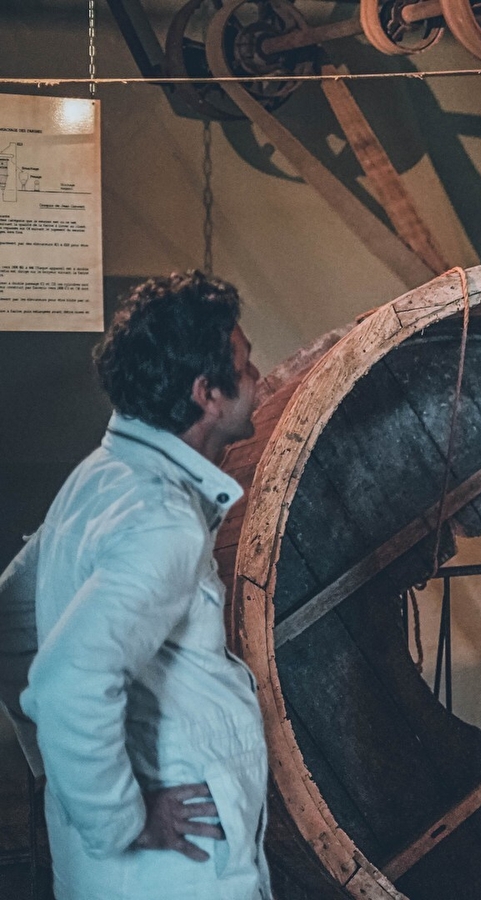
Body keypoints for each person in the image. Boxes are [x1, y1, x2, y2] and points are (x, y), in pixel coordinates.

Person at [6, 271, 270, 899]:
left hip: (116, 871)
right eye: (244, 364)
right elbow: (66, 685)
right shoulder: (162, 520)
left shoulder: (100, 476)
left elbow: (9, 624)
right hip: (175, 871)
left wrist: (69, 781)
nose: (258, 377)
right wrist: (123, 818)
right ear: (207, 394)